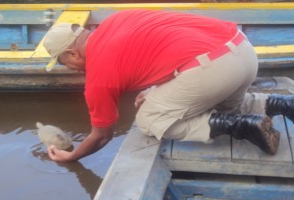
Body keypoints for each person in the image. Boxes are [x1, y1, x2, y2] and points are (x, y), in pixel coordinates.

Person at [43, 9, 294, 162]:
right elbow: (168, 49)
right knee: (228, 104)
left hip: (214, 69)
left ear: (73, 54)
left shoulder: (98, 77)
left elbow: (101, 137)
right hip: (243, 50)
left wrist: (72, 155)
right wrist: (156, 89)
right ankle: (280, 103)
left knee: (148, 120)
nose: (69, 68)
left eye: (64, 63)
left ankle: (242, 127)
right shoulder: (116, 21)